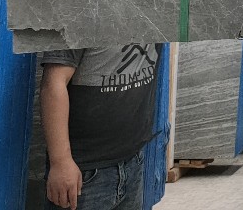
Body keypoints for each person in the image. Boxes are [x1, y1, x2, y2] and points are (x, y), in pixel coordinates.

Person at [41, 45, 162, 210]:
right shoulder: (78, 26)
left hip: (133, 160)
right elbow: (54, 83)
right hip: (84, 172)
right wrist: (60, 162)